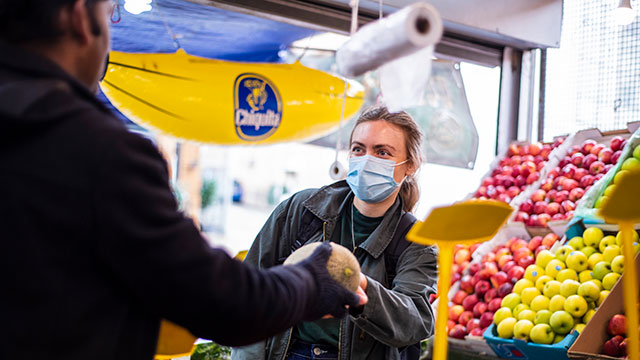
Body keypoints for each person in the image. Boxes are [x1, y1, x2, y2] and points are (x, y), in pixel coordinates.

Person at [0, 1, 366, 359]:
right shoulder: (96, 150)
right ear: (80, 16)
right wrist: (312, 281)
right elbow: (223, 303)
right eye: (108, 14)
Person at [232, 106, 438, 360]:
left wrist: (360, 285)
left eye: (382, 152)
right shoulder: (301, 210)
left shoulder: (417, 242)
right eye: (358, 149)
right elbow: (251, 290)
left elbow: (415, 321)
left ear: (410, 166)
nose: (367, 160)